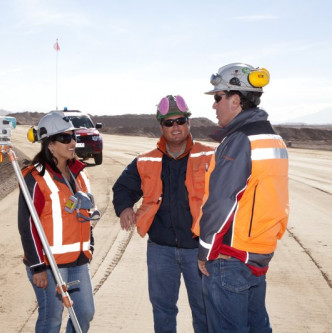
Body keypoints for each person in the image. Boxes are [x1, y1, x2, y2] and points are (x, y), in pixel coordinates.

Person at [196, 63, 289, 332]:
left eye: (217, 97)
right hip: (257, 254)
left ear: (235, 100)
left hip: (230, 257)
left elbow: (223, 201)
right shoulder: (274, 139)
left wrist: (205, 249)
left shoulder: (240, 140)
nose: (214, 106)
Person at [112, 95, 214, 333]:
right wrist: (125, 207)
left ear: (189, 123)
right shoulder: (146, 160)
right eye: (169, 123)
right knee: (163, 309)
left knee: (204, 309)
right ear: (161, 127)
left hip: (198, 250)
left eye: (180, 120)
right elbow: (122, 187)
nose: (175, 127)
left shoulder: (209, 156)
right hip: (160, 250)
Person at [18, 111, 98, 333]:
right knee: (51, 319)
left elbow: (86, 212)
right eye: (65, 138)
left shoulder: (80, 173)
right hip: (49, 265)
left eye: (73, 137)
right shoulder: (35, 176)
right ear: (50, 145)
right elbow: (27, 224)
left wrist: (89, 244)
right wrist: (37, 266)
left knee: (84, 313)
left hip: (78, 261)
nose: (72, 142)